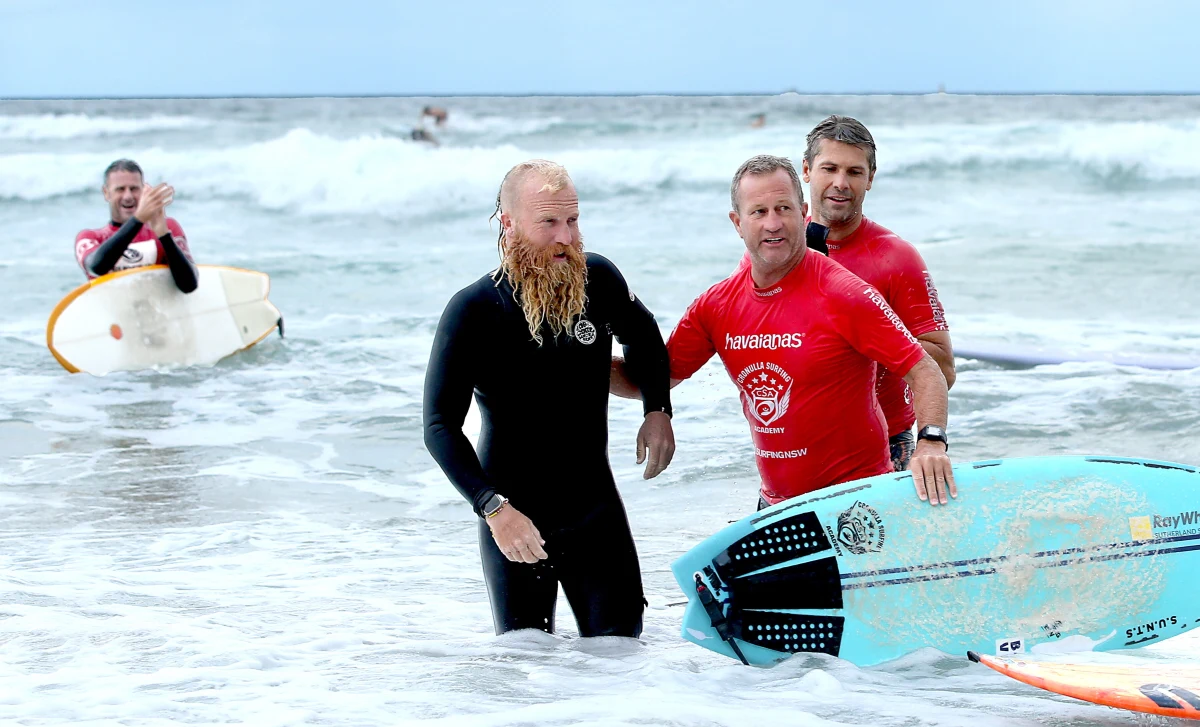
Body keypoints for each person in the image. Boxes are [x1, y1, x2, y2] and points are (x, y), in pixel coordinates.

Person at [612, 155, 954, 509]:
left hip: (858, 499)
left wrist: (930, 442)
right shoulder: (715, 306)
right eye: (759, 212)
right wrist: (577, 362)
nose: (773, 224)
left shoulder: (844, 293)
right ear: (737, 222)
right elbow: (655, 379)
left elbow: (925, 371)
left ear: (802, 212)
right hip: (776, 507)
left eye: (784, 209)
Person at [422, 160, 675, 638]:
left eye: (573, 220)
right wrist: (492, 508)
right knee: (525, 664)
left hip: (593, 509)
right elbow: (439, 425)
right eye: (549, 223)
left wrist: (657, 410)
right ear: (509, 224)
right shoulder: (473, 310)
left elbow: (644, 339)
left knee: (623, 657)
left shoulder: (597, 279)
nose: (566, 236)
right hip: (515, 516)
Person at [801, 116, 955, 471]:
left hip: (885, 444)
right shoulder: (777, 250)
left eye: (854, 172)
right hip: (799, 447)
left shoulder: (895, 257)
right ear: (807, 171)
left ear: (870, 179)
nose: (841, 183)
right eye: (830, 168)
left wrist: (865, 342)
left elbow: (943, 367)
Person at [74, 159, 197, 293]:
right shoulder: (90, 237)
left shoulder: (168, 228)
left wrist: (164, 236)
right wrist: (138, 219)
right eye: (120, 189)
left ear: (144, 191)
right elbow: (97, 268)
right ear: (106, 193)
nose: (128, 196)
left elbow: (189, 285)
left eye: (134, 189)